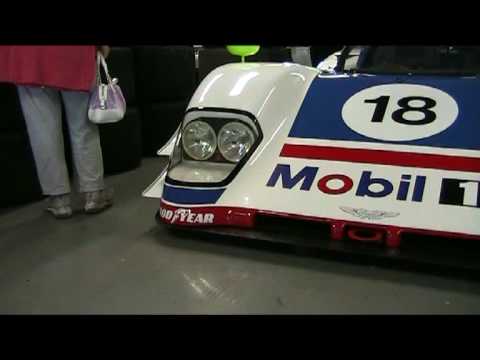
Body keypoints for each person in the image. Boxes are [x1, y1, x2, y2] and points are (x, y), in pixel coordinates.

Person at [0, 45, 113, 219]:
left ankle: (58, 199)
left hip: (28, 52)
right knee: (83, 124)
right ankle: (93, 194)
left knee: (41, 129)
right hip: (72, 51)